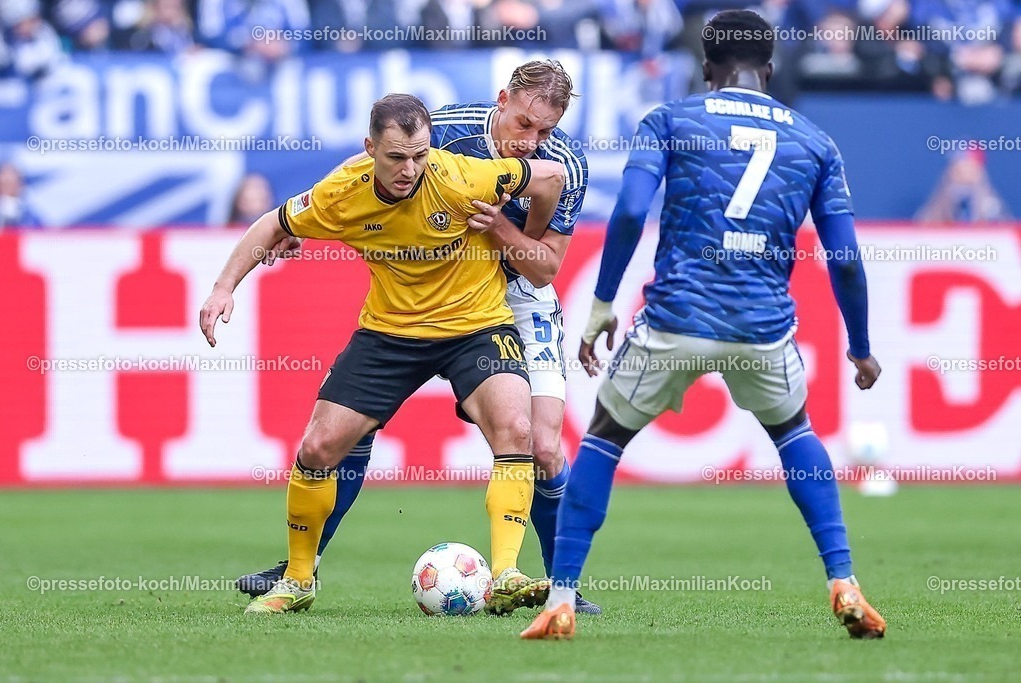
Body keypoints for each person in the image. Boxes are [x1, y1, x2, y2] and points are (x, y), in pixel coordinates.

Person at [521, 9, 887, 640]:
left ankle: (561, 594)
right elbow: (846, 259)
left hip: (676, 318)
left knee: (605, 439)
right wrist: (861, 347)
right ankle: (843, 580)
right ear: (769, 70)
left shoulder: (669, 120)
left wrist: (603, 303)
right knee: (796, 435)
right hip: (763, 327)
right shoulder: (816, 143)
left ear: (706, 68)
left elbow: (633, 210)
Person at [235, 60, 603, 615]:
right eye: (523, 124)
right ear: (502, 99)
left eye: (545, 131)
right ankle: (299, 571)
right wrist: (304, 223)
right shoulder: (447, 131)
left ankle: (559, 587)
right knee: (344, 435)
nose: (531, 142)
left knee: (544, 447)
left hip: (516, 297)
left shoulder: (565, 166)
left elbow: (544, 269)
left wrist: (501, 230)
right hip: (428, 297)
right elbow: (368, 167)